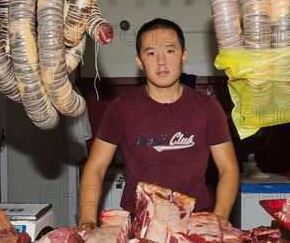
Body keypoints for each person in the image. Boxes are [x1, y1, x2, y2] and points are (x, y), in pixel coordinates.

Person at [77, 18, 239, 230]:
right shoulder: (122, 108)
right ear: (139, 62)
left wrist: (220, 215)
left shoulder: (208, 108)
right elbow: (96, 167)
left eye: (170, 51)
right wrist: (87, 219)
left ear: (184, 56)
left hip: (195, 224)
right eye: (151, 53)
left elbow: (228, 167)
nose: (161, 61)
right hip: (139, 224)